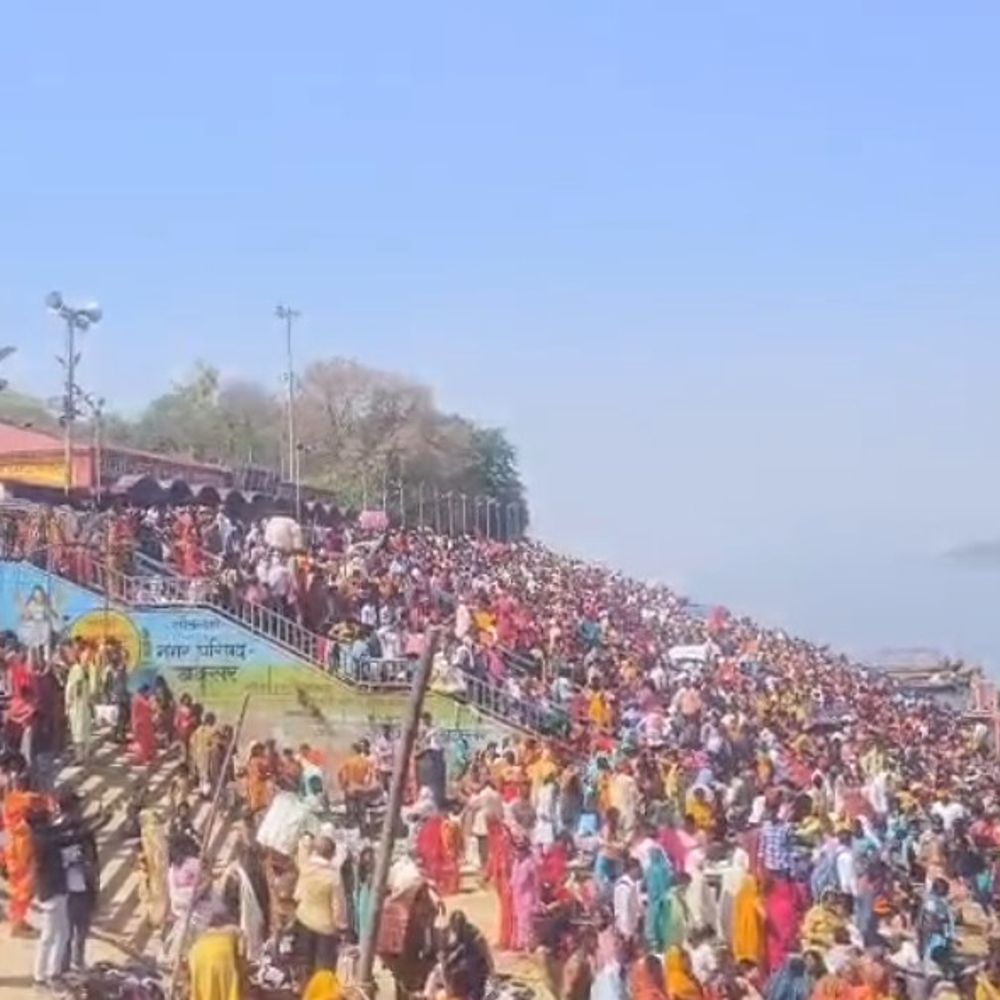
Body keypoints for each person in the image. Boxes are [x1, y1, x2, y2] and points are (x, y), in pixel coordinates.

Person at [294, 835, 348, 976]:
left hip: (304, 918)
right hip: (325, 927)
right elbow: (338, 906)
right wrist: (341, 926)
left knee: (304, 964)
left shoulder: (306, 867)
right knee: (323, 969)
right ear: (331, 854)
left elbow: (298, 895)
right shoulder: (333, 876)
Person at [187, 907, 246, 1000]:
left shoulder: (204, 933)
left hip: (196, 956)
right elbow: (241, 957)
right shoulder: (237, 931)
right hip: (222, 957)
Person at [64, 651, 92, 763]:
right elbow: (70, 688)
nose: (87, 660)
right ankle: (80, 756)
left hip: (82, 706)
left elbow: (85, 689)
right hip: (77, 705)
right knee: (78, 730)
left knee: (83, 730)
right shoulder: (77, 670)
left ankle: (84, 755)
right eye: (86, 657)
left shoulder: (84, 670)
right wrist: (68, 703)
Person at [131, 683, 157, 765]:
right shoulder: (139, 699)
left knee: (146, 741)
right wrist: (152, 701)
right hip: (141, 724)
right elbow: (149, 708)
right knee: (142, 742)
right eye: (148, 692)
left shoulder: (138, 698)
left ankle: (145, 757)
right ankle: (141, 758)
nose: (148, 694)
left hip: (145, 723)